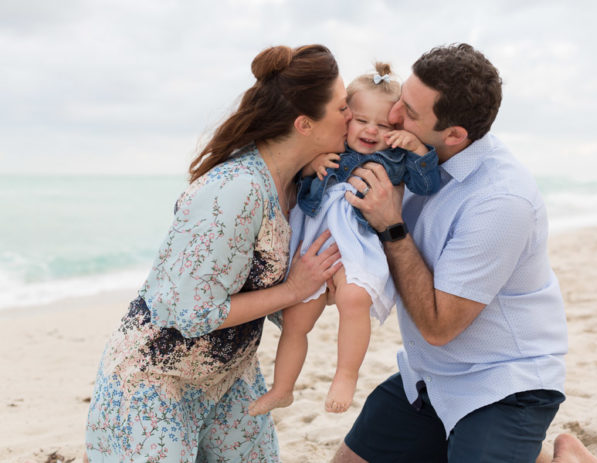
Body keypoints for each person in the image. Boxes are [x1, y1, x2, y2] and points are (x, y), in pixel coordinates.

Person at [83, 44, 351, 463]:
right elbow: (189, 312)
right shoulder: (235, 190)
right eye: (343, 107)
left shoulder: (299, 189)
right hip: (156, 383)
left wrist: (323, 287)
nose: (352, 116)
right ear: (305, 124)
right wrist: (296, 287)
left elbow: (274, 295)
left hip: (229, 378)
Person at [332, 43, 571, 462]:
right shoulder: (410, 157)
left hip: (503, 383)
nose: (393, 116)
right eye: (401, 100)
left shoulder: (500, 200)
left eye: (409, 112)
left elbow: (440, 327)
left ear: (455, 135)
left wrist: (392, 227)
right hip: (430, 377)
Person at [249, 62, 440, 416]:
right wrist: (311, 167)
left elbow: (427, 185)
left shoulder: (395, 159)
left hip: (358, 247)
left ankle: (346, 375)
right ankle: (282, 388)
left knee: (354, 300)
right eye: (361, 119)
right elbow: (297, 183)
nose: (371, 130)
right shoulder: (327, 150)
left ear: (396, 128)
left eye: (384, 125)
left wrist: (416, 149)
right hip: (314, 247)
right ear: (345, 117)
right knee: (296, 321)